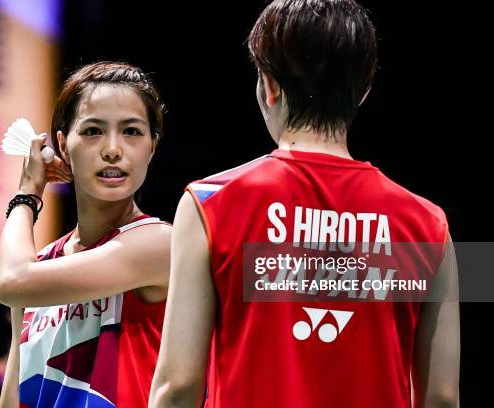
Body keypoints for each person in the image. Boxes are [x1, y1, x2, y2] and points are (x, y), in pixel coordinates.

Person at [149, 1, 459, 407]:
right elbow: (441, 397)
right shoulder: (428, 224)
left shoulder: (209, 204)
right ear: (363, 90)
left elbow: (179, 386)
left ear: (269, 86)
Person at [0, 61, 172, 408]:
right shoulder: (43, 264)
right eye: (92, 131)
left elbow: (12, 281)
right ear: (62, 144)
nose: (112, 149)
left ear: (152, 146)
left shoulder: (159, 243)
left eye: (132, 132)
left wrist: (27, 193)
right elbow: (12, 395)